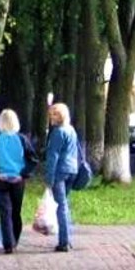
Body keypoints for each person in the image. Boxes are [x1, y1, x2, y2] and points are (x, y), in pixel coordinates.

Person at [0, 109, 38, 253]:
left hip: (1, 179)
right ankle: (14, 240)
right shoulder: (22, 139)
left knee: (5, 212)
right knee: (16, 212)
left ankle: (8, 243)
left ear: (1, 122)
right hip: (18, 181)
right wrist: (23, 174)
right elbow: (33, 160)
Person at [43, 101, 80, 252]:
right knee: (64, 205)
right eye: (51, 113)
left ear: (60, 116)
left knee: (61, 206)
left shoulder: (57, 132)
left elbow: (53, 156)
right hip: (72, 170)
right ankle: (67, 239)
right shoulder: (71, 129)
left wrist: (49, 179)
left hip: (60, 171)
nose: (51, 116)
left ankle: (64, 242)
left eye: (54, 114)